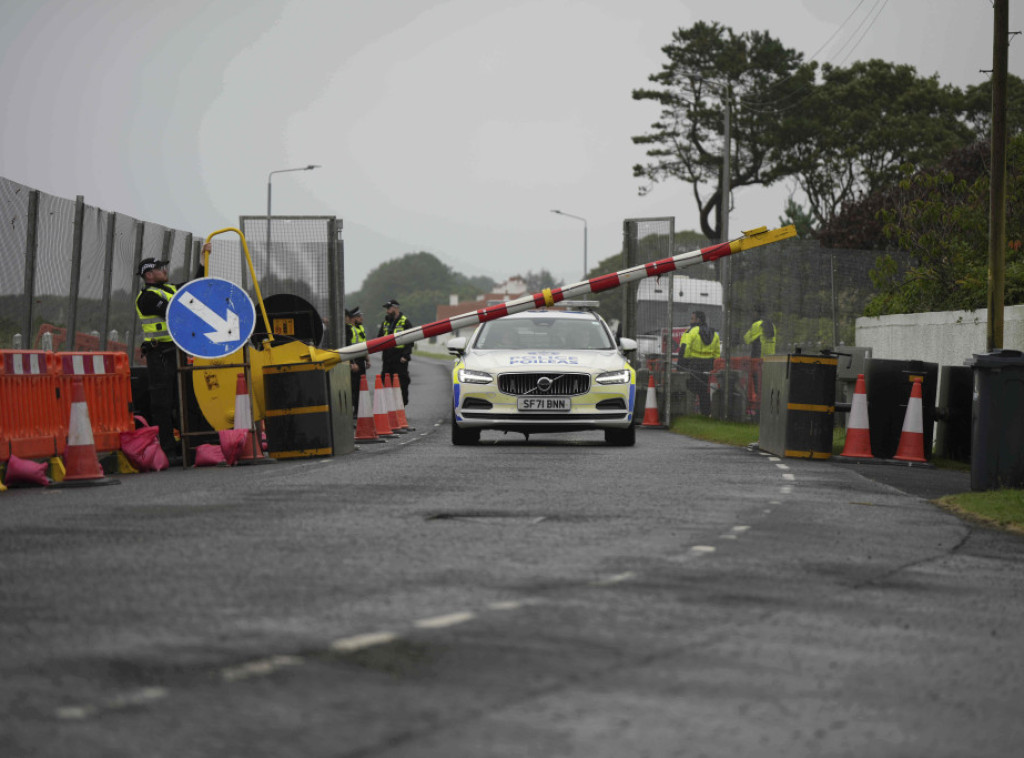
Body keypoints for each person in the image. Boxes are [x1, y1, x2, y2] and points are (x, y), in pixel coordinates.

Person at [134, 248, 206, 464]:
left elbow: (193, 288)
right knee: (163, 404)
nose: (164, 270)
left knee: (184, 400)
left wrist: (202, 262)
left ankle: (189, 447)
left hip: (176, 353)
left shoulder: (170, 289)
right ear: (148, 275)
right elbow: (174, 311)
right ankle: (168, 451)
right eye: (159, 268)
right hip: (160, 355)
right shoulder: (147, 297)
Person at [676, 310, 720, 417]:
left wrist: (680, 366)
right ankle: (706, 414)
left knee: (691, 389)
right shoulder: (714, 333)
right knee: (704, 391)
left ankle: (689, 413)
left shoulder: (690, 332)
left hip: (694, 365)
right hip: (709, 366)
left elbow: (684, 350)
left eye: (692, 318)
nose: (690, 321)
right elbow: (717, 353)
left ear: (698, 320)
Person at [377, 299, 413, 406]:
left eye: (389, 308)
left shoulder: (405, 321)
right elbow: (379, 338)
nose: (387, 311)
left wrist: (405, 356)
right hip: (387, 358)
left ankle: (401, 405)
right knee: (387, 381)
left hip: (400, 359)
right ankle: (390, 406)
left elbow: (410, 340)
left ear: (395, 308)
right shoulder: (385, 323)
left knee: (402, 382)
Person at [344, 305, 370, 418]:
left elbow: (364, 345)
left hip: (361, 361)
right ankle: (355, 411)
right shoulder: (348, 329)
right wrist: (352, 362)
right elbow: (348, 346)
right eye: (360, 317)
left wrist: (367, 359)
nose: (362, 319)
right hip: (354, 361)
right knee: (354, 387)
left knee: (361, 386)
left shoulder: (360, 328)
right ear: (354, 318)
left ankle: (359, 409)